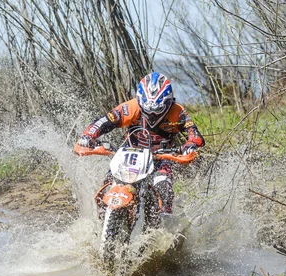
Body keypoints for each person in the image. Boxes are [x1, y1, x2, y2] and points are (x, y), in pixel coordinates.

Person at [78, 72, 205, 215]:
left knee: (163, 184)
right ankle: (99, 218)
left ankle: (165, 226)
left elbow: (194, 134)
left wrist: (190, 145)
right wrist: (88, 136)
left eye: (157, 110)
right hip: (130, 154)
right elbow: (104, 121)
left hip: (162, 157)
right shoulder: (131, 107)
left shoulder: (177, 111)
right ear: (140, 100)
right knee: (109, 181)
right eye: (147, 109)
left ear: (168, 103)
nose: (151, 114)